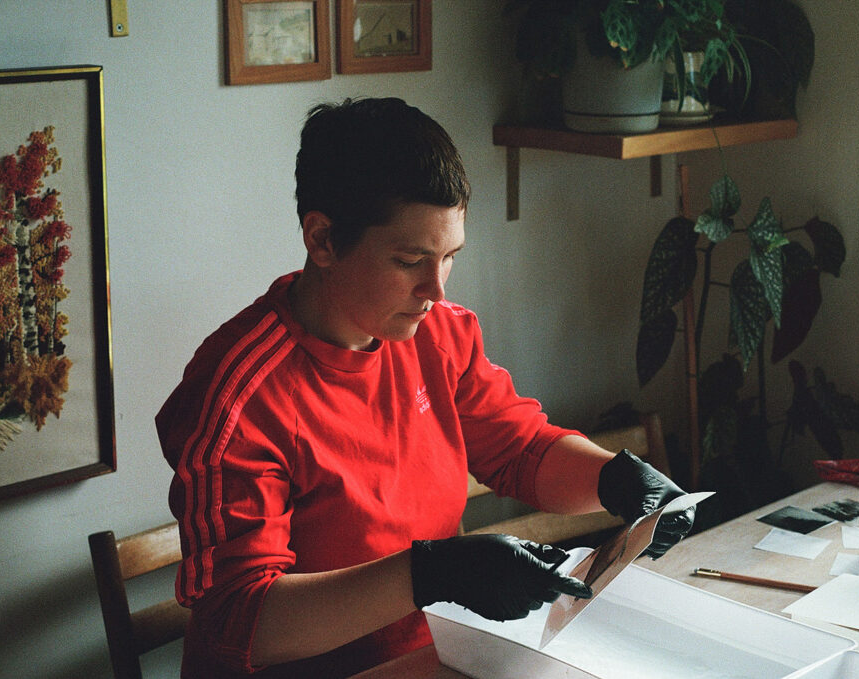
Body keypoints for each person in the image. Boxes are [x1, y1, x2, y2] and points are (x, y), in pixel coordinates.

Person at [155, 97, 694, 678]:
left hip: (431, 659)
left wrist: (612, 478)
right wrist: (432, 574)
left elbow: (520, 451)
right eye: (410, 260)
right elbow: (238, 621)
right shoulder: (240, 393)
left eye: (448, 257)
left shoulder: (438, 335)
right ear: (323, 240)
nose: (434, 289)